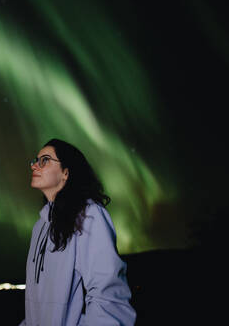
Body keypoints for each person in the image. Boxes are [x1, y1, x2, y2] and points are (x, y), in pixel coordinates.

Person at [19, 138, 136, 326]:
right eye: (35, 161)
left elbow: (107, 295)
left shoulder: (89, 216)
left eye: (45, 160)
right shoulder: (39, 227)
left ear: (65, 173)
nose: (35, 166)